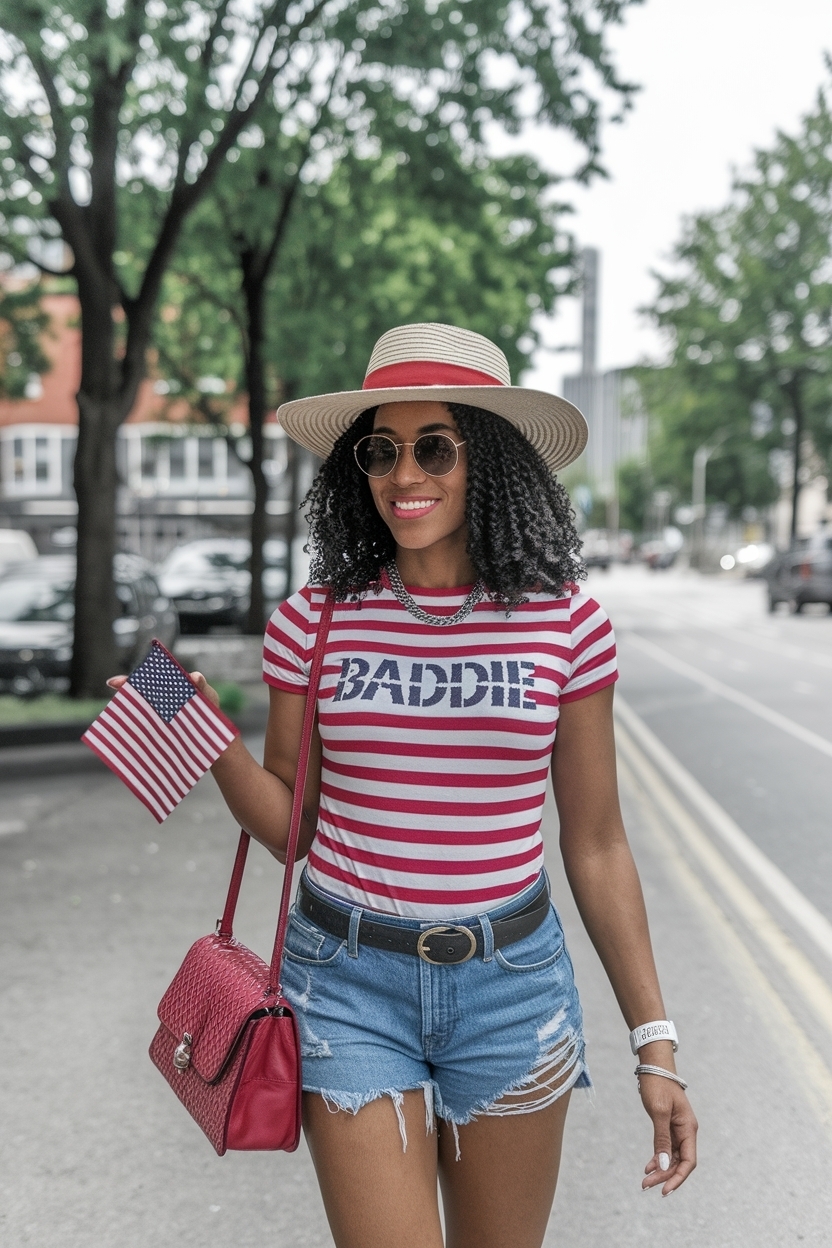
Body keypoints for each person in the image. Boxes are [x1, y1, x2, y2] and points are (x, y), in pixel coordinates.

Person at [117, 323, 697, 1247]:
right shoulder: (314, 624)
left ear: (491, 458)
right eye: (380, 450)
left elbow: (595, 842)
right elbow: (289, 830)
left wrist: (653, 1043)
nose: (402, 473)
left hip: (513, 992)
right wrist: (203, 733)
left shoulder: (567, 627)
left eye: (434, 445)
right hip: (347, 985)